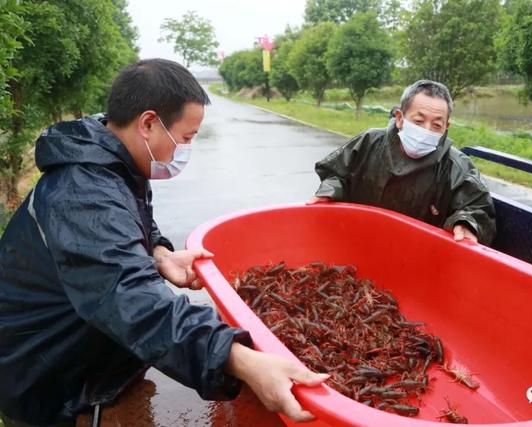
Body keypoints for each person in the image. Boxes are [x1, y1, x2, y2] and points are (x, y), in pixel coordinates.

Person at [0, 59, 327, 427]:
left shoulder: (113, 158)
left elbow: (130, 221)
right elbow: (131, 298)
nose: (186, 150)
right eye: (185, 138)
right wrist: (241, 360)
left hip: (90, 353)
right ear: (149, 123)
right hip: (50, 381)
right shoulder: (82, 194)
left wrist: (158, 252)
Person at [309, 79, 496, 245]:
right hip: (358, 240)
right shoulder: (369, 142)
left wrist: (466, 222)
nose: (426, 130)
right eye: (419, 120)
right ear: (400, 118)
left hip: (420, 254)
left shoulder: (456, 165)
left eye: (436, 125)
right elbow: (336, 173)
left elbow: (478, 207)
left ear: (446, 127)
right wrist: (329, 192)